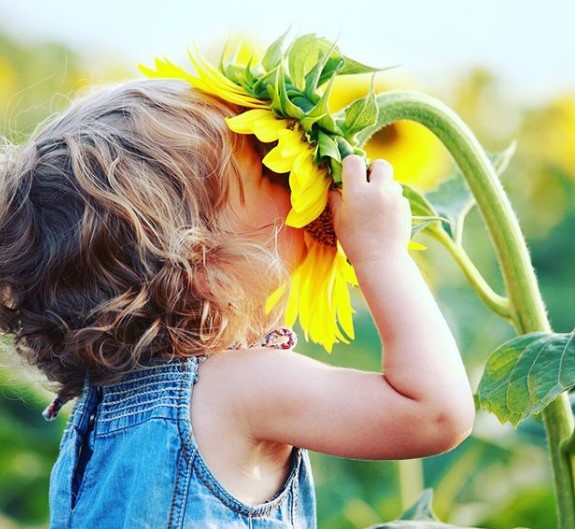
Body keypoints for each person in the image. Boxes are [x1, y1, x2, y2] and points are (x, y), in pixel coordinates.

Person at [0, 78, 475, 528]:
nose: (293, 184)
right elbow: (434, 413)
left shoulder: (103, 408)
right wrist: (379, 252)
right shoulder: (239, 388)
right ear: (201, 257)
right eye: (269, 172)